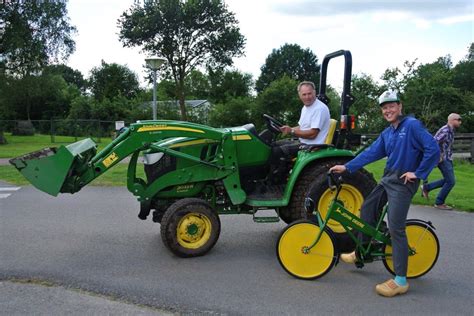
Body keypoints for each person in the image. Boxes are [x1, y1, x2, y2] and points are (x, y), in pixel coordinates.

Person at [329, 90, 439, 297]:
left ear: (400, 106)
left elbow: (433, 148)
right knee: (367, 208)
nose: (388, 110)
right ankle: (360, 252)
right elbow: (371, 153)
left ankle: (400, 280)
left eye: (391, 106)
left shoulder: (412, 126)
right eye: (384, 108)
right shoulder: (388, 133)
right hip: (388, 179)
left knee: (396, 228)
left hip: (403, 183)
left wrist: (418, 173)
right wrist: (347, 167)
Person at [421, 113, 462, 210]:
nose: (460, 122)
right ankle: (439, 202)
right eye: (459, 119)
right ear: (452, 120)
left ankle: (427, 187)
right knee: (451, 182)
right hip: (443, 160)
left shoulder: (451, 131)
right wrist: (438, 156)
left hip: (448, 158)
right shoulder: (445, 130)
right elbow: (433, 142)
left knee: (448, 180)